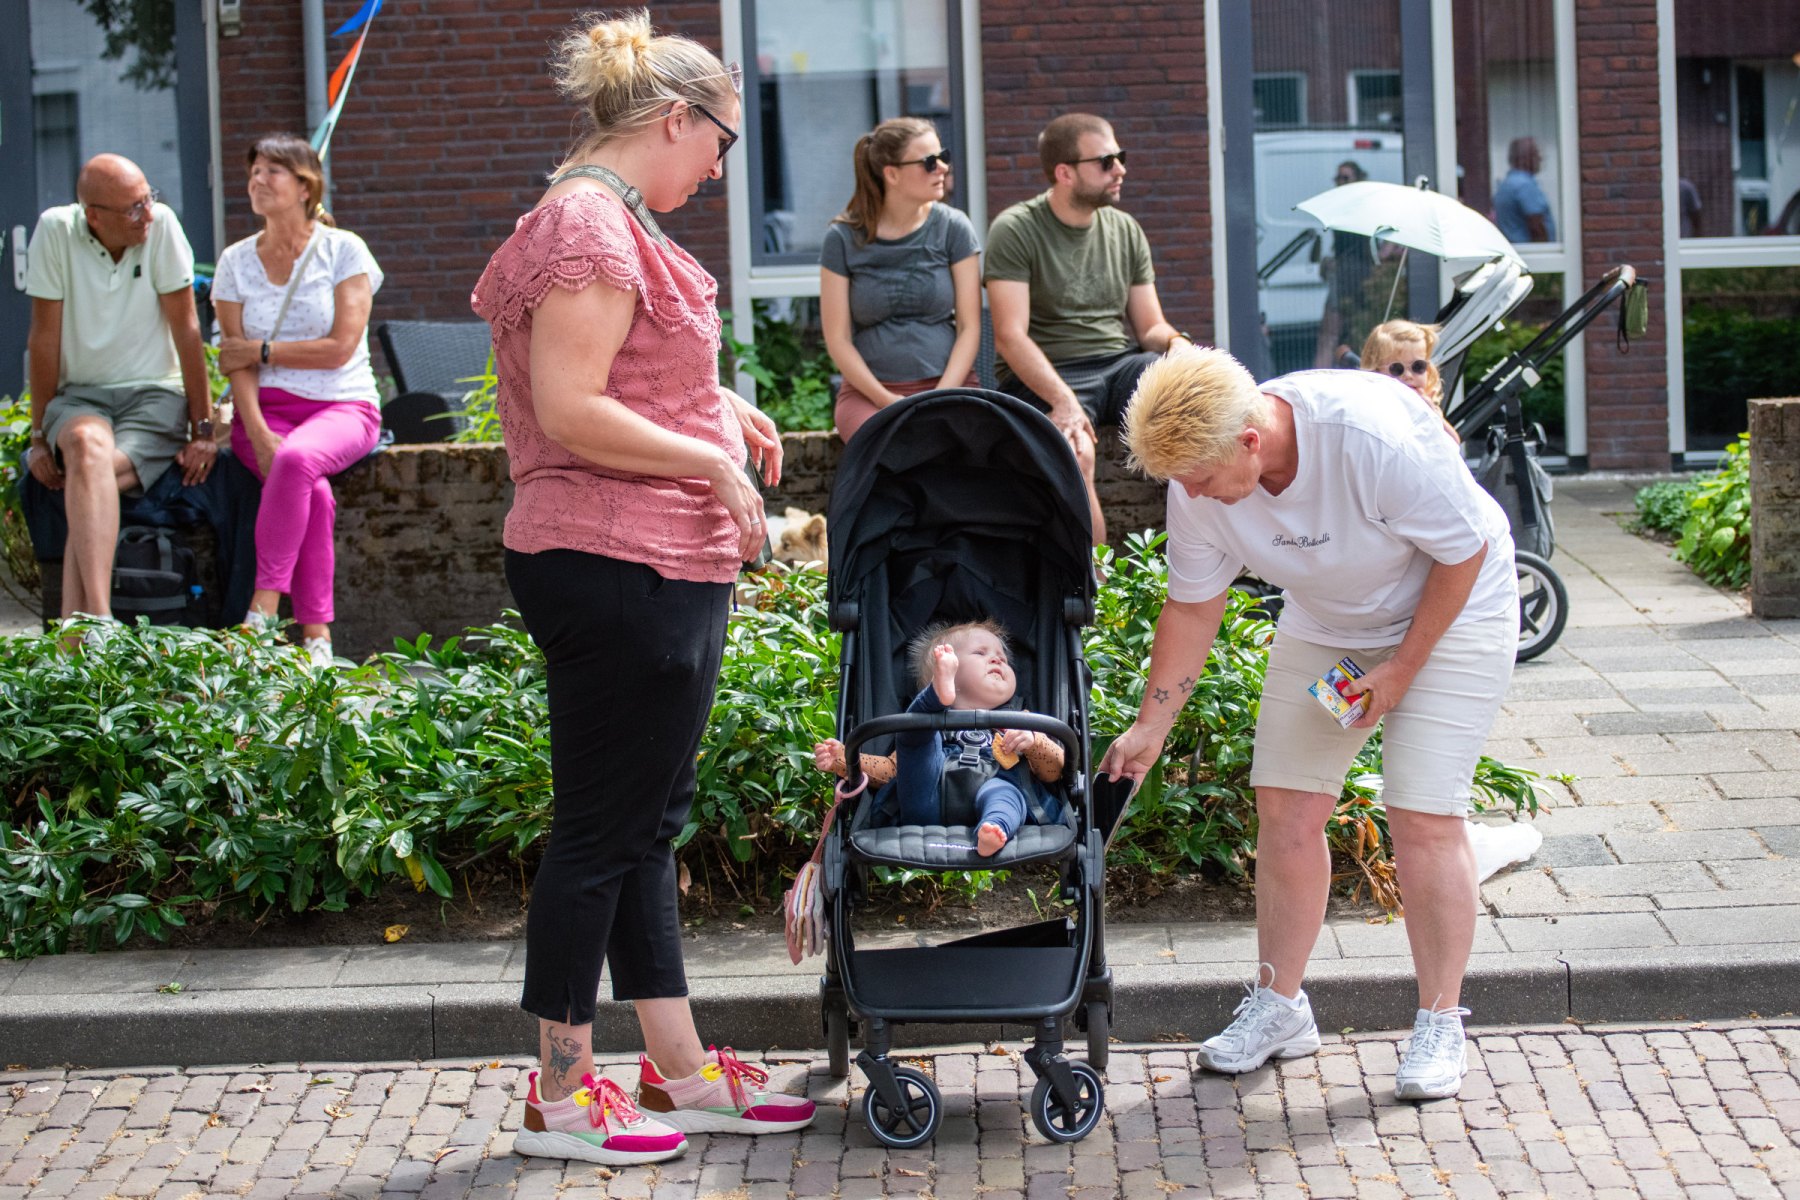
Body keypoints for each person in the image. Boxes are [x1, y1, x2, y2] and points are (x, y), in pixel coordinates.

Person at [468, 11, 814, 1168]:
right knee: (600, 834)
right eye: (719, 143)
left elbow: (618, 376)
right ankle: (562, 1098)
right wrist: (710, 461)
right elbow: (569, 408)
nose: (717, 169)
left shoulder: (603, 218)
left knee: (641, 829)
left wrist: (715, 407)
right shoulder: (588, 224)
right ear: (674, 118)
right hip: (618, 557)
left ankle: (679, 1071)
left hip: (646, 558)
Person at [1100, 347, 1519, 1102]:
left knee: (1422, 814)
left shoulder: (1369, 438)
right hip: (1332, 629)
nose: (1190, 494)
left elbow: (1465, 551)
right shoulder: (1200, 482)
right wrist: (1150, 727)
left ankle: (1439, 1021)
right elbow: (1193, 606)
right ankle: (1281, 1007)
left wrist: (1401, 670)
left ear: (1249, 440)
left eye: (1199, 478)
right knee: (1287, 806)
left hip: (1456, 612)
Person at [211, 134, 385, 667]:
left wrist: (262, 349)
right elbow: (233, 361)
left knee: (295, 460)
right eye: (253, 171)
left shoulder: (344, 250)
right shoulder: (234, 261)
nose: (257, 180)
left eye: (272, 171)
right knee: (316, 494)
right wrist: (256, 429)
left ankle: (261, 612)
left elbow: (339, 349)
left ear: (305, 186)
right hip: (263, 413)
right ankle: (317, 638)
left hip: (344, 407)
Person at [985, 112, 1195, 544]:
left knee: (1201, 412)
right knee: (1075, 453)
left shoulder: (1125, 229)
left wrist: (1178, 345)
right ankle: (1096, 582)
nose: (1120, 169)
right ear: (1064, 173)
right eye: (1105, 161)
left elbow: (1150, 326)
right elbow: (1009, 336)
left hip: (1118, 365)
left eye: (1121, 157)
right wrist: (1063, 401)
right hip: (1049, 373)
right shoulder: (1015, 229)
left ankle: (1213, 564)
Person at [23, 153, 215, 625]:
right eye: (133, 207)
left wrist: (204, 429)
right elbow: (43, 338)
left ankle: (84, 628)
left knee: (87, 481)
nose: (148, 213)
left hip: (154, 396)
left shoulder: (162, 226)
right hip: (80, 397)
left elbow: (188, 330)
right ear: (94, 216)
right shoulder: (55, 230)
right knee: (87, 449)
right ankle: (99, 623)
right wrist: (39, 436)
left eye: (149, 198)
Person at [813, 620, 1065, 856]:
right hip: (928, 796)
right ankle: (934, 696)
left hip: (994, 787)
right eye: (980, 653)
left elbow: (1053, 771)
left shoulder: (1021, 721)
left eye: (1003, 658)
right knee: (915, 735)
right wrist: (844, 760)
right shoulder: (930, 728)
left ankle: (994, 827)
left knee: (1006, 793)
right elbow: (891, 770)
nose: (997, 659)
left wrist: (1035, 743)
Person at [819, 117, 982, 442]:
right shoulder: (842, 238)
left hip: (950, 386)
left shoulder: (954, 228)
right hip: (869, 395)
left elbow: (970, 327)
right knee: (887, 449)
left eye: (943, 157)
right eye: (929, 162)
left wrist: (940, 396)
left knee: (951, 453)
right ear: (891, 174)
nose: (943, 168)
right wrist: (886, 401)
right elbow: (837, 339)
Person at [1359, 319, 1460, 443]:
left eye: (1418, 366)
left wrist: (1433, 415)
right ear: (1376, 372)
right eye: (1397, 369)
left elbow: (1454, 443)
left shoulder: (1428, 408)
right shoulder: (1374, 408)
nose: (1408, 376)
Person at [1313, 160, 1373, 368]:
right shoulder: (1340, 207)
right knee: (1330, 334)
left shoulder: (1362, 208)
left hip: (1357, 273)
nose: (1340, 182)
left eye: (1345, 178)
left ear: (1357, 180)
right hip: (1346, 271)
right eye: (1338, 178)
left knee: (1334, 333)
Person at [1492, 137, 1556, 244]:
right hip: (1532, 251)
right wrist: (1546, 249)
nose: (1540, 158)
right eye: (1536, 154)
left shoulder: (1506, 184)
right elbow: (1536, 226)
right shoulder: (1525, 185)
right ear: (1524, 159)